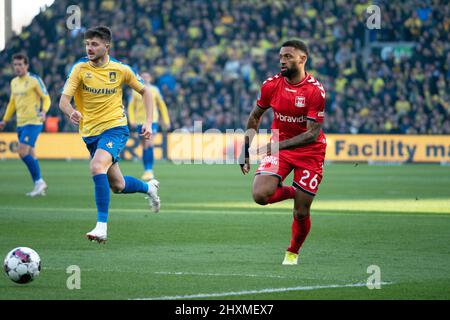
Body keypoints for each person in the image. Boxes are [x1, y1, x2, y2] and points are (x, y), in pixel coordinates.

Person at [59, 26, 160, 243]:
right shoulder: (79, 69)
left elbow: (146, 92)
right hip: (90, 133)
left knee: (97, 167)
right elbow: (63, 101)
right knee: (118, 185)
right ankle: (149, 187)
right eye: (87, 44)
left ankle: (101, 227)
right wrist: (71, 112)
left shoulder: (121, 70)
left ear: (107, 46)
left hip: (115, 127)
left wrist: (149, 122)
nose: (89, 48)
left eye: (94, 44)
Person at [239, 40, 327, 265]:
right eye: (281, 56)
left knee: (300, 212)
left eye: (288, 56)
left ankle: (292, 252)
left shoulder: (315, 91)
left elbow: (311, 135)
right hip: (281, 146)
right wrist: (245, 150)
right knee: (260, 195)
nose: (282, 60)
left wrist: (275, 146)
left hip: (310, 152)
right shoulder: (271, 85)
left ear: (302, 59)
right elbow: (255, 116)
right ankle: (292, 191)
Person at [0, 53, 50, 197]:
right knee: (31, 154)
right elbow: (12, 103)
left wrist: (44, 111)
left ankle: (39, 181)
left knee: (22, 152)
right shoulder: (14, 82)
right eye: (15, 65)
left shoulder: (34, 80)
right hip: (21, 124)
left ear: (26, 65)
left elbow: (46, 98)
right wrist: (5, 119)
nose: (18, 67)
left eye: (20, 64)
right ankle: (39, 185)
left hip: (33, 122)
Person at [128, 72, 170, 181]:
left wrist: (166, 120)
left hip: (152, 120)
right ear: (140, 78)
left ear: (150, 78)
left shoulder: (155, 90)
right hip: (139, 121)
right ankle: (147, 169)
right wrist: (131, 120)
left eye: (147, 76)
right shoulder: (135, 90)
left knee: (148, 143)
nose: (145, 78)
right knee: (145, 145)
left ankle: (149, 170)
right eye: (143, 77)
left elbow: (162, 105)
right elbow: (131, 107)